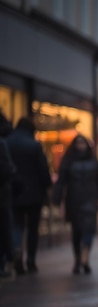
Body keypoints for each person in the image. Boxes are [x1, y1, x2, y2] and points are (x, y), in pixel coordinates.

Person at [5, 117, 52, 274]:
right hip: (34, 194)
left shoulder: (7, 142)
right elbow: (43, 170)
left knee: (17, 225)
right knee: (33, 228)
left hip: (13, 192)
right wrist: (47, 188)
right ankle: (30, 259)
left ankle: (17, 249)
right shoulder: (34, 145)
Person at [52, 135, 98, 275]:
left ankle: (82, 257)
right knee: (79, 231)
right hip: (80, 198)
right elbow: (62, 181)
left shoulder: (70, 160)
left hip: (79, 198)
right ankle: (81, 258)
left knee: (85, 230)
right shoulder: (90, 160)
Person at [0, 112, 15, 278]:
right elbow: (7, 169)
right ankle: (6, 260)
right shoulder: (2, 143)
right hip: (3, 195)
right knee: (4, 229)